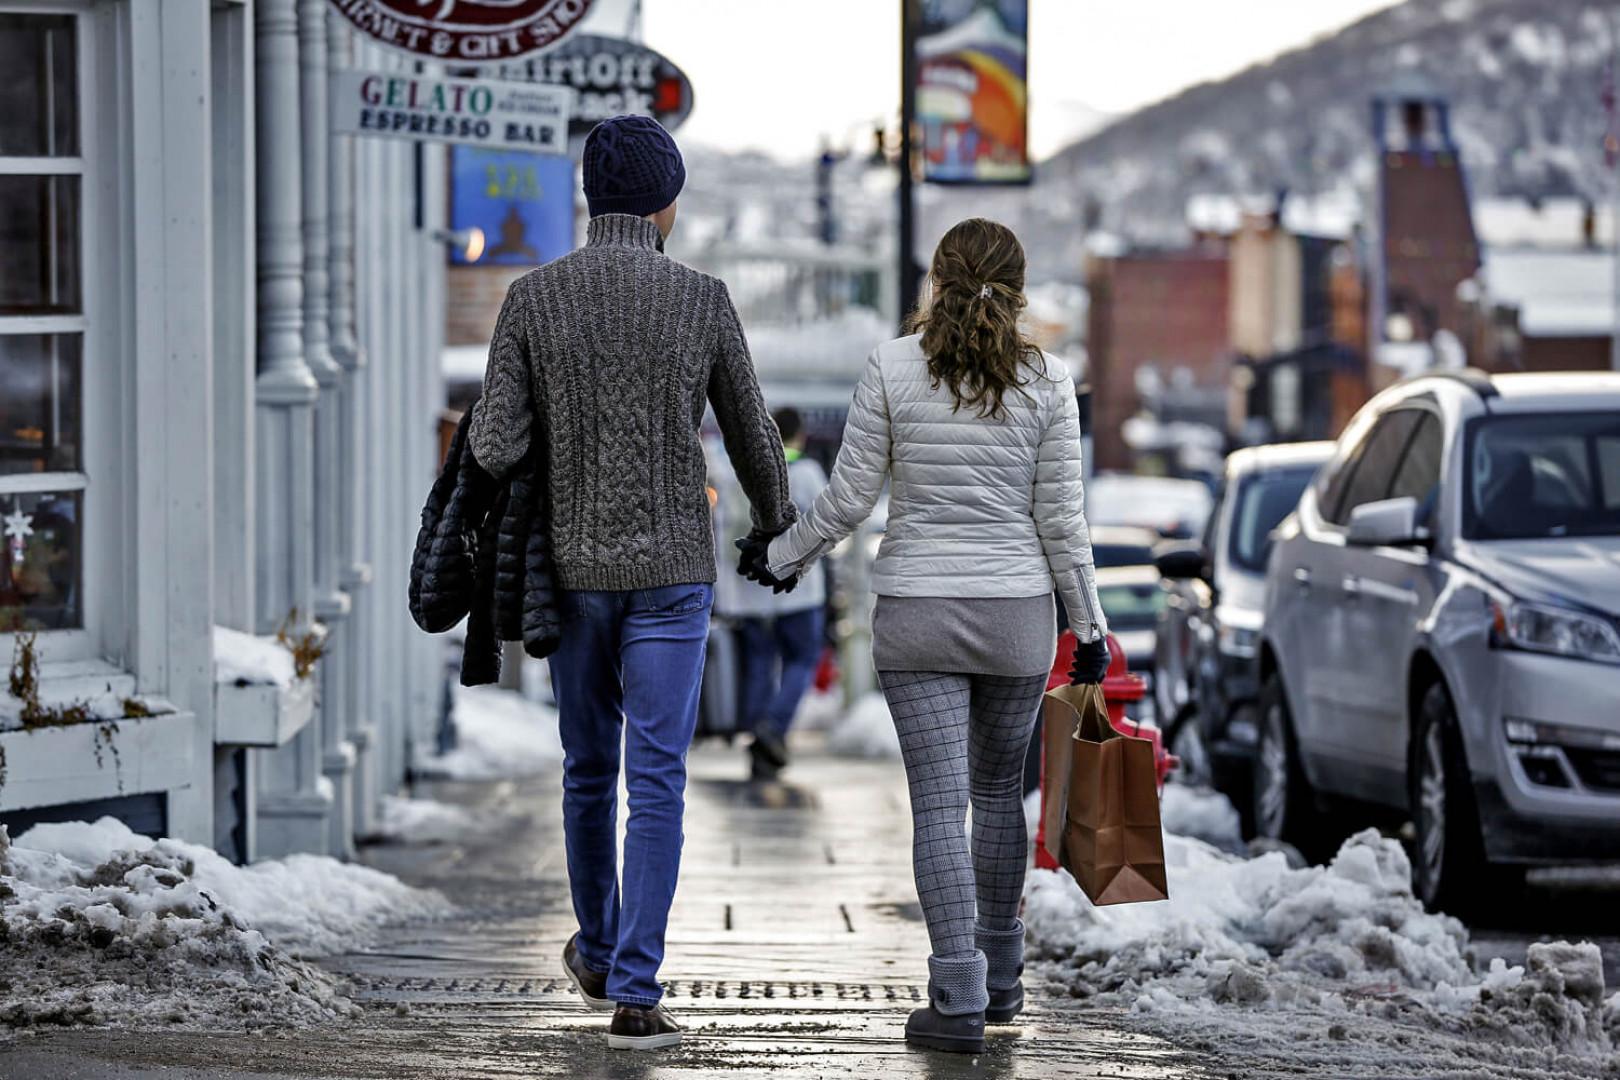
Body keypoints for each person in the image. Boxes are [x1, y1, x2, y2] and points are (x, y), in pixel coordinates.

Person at [469, 114, 795, 1052]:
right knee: (658, 778)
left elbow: (493, 444)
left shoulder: (533, 299)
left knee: (586, 769)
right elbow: (752, 434)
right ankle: (638, 990)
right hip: (671, 581)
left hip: (568, 577)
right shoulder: (703, 298)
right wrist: (775, 527)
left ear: (589, 197)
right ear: (665, 202)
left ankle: (602, 946)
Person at [749, 218, 1111, 1055]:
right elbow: (1063, 521)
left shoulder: (891, 367)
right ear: (1017, 291)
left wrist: (782, 558)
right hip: (1017, 619)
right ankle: (1005, 976)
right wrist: (1088, 626)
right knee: (996, 800)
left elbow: (845, 501)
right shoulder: (1051, 381)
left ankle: (956, 996)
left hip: (917, 614)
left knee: (939, 810)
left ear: (935, 282)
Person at [735, 407, 829, 780]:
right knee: (801, 661)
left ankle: (759, 734)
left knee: (759, 663)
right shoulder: (806, 473)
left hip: (754, 592)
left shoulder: (752, 470)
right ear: (800, 435)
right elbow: (826, 521)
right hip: (801, 591)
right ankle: (771, 729)